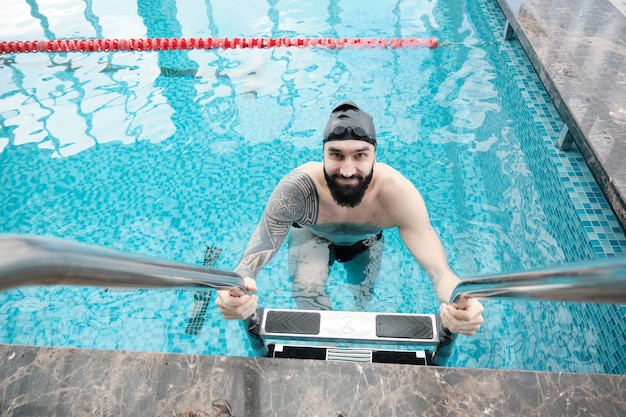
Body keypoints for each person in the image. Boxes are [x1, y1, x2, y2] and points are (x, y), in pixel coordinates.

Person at [217, 101, 484, 335]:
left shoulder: (397, 194)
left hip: (366, 242)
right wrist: (236, 291)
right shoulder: (297, 191)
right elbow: (249, 263)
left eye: (360, 155)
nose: (347, 170)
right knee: (307, 289)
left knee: (362, 292)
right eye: (336, 155)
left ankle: (351, 331)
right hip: (313, 236)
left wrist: (458, 301)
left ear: (375, 156)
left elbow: (439, 271)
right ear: (322, 154)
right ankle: (324, 348)